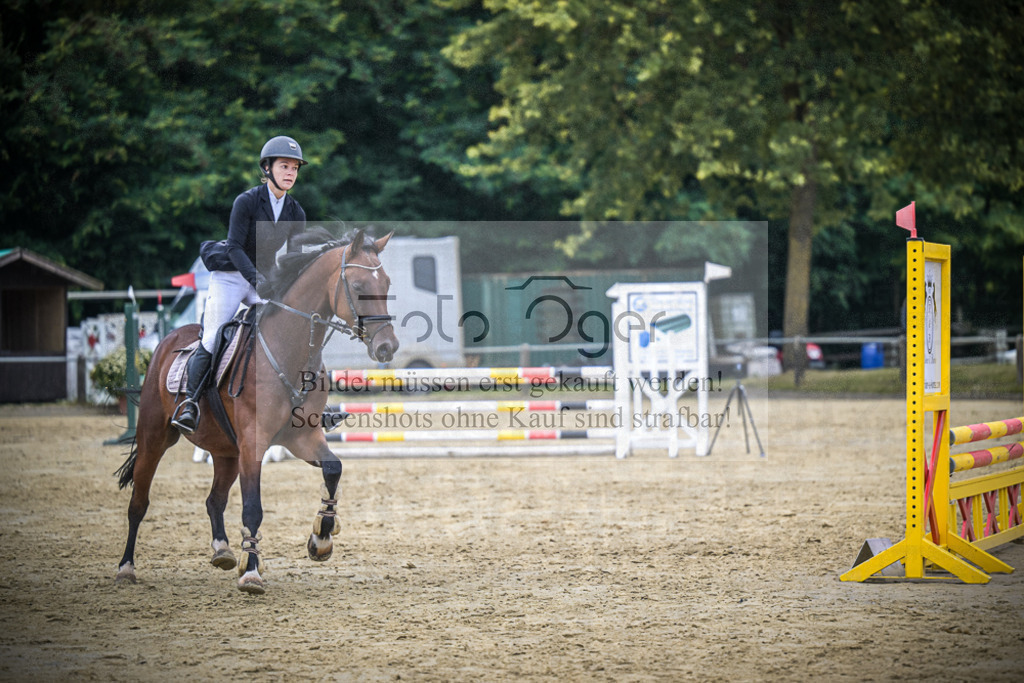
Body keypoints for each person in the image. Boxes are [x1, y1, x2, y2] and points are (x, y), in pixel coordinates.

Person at [171, 136, 308, 434]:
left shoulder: (296, 212)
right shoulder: (246, 201)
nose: (290, 173)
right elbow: (234, 247)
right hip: (232, 275)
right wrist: (258, 280)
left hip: (263, 278)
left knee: (288, 330)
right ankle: (190, 404)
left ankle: (307, 403)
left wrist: (289, 287)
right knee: (213, 334)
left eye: (295, 168)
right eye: (284, 166)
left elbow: (294, 258)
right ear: (268, 168)